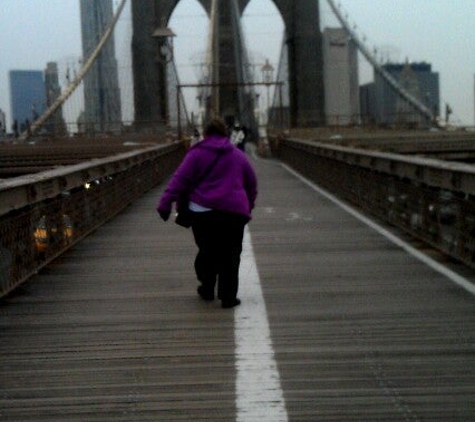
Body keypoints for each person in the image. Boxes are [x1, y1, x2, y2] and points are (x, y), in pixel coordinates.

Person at [157, 117, 258, 308]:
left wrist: (165, 204)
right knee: (231, 255)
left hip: (202, 212)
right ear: (225, 134)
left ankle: (207, 287)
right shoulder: (237, 155)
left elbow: (179, 180)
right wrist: (248, 205)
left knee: (208, 251)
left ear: (205, 134)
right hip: (233, 212)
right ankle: (228, 297)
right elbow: (251, 183)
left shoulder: (196, 155)